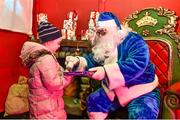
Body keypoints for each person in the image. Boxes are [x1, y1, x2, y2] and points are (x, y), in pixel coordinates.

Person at [65, 12, 160, 119]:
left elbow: (138, 63)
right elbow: (94, 60)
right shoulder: (104, 44)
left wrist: (105, 71)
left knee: (143, 112)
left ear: (115, 29)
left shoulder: (134, 40)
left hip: (141, 88)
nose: (100, 36)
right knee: (94, 101)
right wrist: (78, 61)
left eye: (103, 32)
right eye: (99, 32)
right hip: (114, 89)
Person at [20, 21, 73, 119]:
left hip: (42, 109)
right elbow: (54, 83)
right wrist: (69, 75)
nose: (59, 46)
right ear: (48, 41)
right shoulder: (46, 58)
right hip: (49, 111)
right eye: (58, 43)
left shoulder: (40, 57)